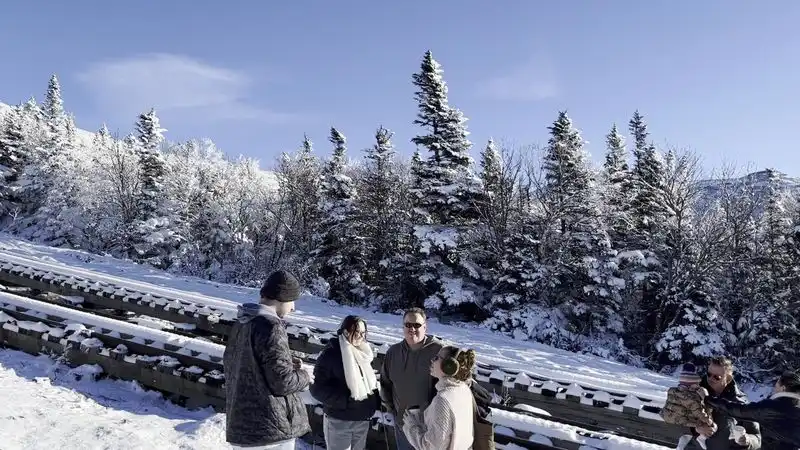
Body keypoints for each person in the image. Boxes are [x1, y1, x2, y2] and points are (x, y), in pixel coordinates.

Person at [223, 270, 310, 450]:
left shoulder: (243, 322)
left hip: (241, 426)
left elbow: (244, 366)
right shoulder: (272, 326)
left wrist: (285, 362)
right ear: (282, 297)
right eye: (292, 300)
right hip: (269, 429)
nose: (293, 308)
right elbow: (282, 383)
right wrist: (304, 375)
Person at [310, 315, 380, 450]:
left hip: (362, 418)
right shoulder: (332, 354)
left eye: (363, 333)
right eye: (356, 331)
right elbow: (316, 387)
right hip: (339, 420)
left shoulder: (364, 354)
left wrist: (374, 401)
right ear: (346, 331)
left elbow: (368, 384)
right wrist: (344, 400)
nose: (360, 336)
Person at [379, 307, 443, 450]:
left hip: (430, 429)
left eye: (416, 325)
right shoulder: (393, 352)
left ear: (425, 327)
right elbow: (385, 383)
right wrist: (392, 410)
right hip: (402, 424)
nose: (412, 329)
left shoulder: (438, 351)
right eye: (408, 325)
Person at [402, 345, 477, 450]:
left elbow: (431, 447)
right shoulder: (463, 389)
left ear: (448, 365)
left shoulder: (442, 401)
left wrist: (412, 426)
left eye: (437, 358)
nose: (432, 360)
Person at [705, 371, 800, 450]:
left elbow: (739, 411)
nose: (774, 388)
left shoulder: (772, 407)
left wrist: (708, 400)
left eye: (777, 384)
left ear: (783, 388)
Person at [696, 356, 762, 450]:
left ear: (728, 379)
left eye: (717, 377)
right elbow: (674, 419)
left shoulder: (740, 402)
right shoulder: (693, 392)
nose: (711, 379)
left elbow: (757, 438)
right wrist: (696, 428)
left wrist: (747, 440)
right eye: (709, 374)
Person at [660, 363, 716, 450]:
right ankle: (702, 438)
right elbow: (698, 411)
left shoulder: (674, 391)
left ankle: (682, 444)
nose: (698, 386)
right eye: (696, 384)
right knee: (706, 425)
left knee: (686, 433)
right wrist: (707, 420)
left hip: (669, 416)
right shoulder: (691, 398)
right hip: (682, 420)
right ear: (691, 386)